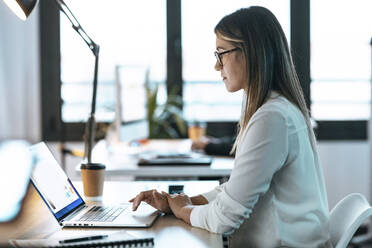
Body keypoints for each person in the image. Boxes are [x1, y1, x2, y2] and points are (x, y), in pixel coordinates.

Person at [130, 6, 331, 247]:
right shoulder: (277, 109)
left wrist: (183, 210)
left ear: (251, 53)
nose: (217, 66)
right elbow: (237, 189)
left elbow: (225, 218)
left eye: (221, 53)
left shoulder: (272, 118)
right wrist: (182, 202)